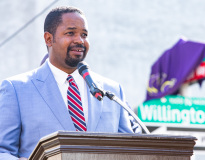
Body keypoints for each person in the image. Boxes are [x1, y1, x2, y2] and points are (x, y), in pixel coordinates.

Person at [0, 6, 138, 160]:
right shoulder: (16, 89)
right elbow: (2, 151)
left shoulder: (112, 91)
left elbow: (129, 150)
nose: (80, 40)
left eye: (84, 35)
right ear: (48, 39)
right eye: (70, 33)